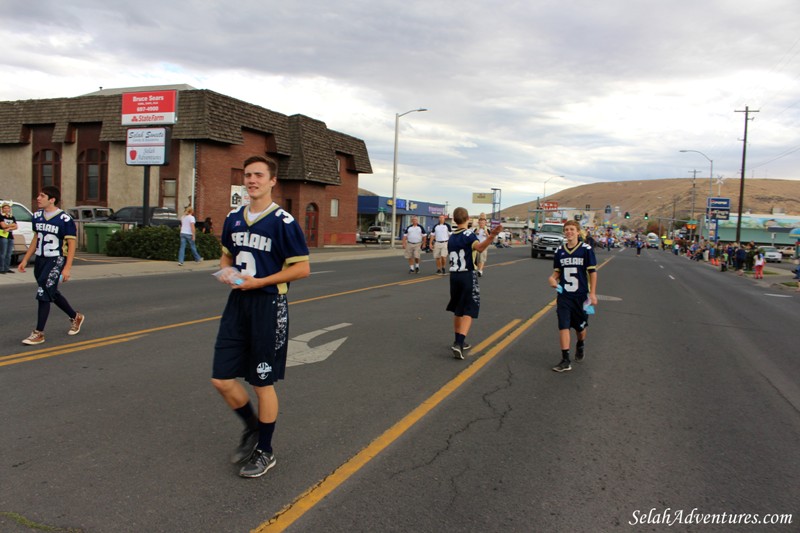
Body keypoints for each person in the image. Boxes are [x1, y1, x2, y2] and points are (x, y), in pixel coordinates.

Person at [211, 155, 310, 478]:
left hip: (268, 305)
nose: (251, 180)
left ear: (272, 181)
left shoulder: (283, 222)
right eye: (248, 175)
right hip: (237, 304)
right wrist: (226, 271)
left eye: (258, 175)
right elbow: (227, 255)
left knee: (261, 382)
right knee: (222, 379)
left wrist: (261, 281)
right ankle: (253, 427)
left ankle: (265, 451)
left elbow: (302, 268)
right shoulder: (234, 218)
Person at [17, 186, 85, 345]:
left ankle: (39, 332)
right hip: (40, 260)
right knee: (51, 292)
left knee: (43, 293)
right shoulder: (37, 216)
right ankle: (76, 316)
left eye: (42, 196)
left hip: (56, 259)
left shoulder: (64, 219)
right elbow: (36, 238)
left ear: (52, 199)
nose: (38, 198)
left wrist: (67, 267)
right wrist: (26, 259)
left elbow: (71, 243)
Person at [446, 207, 503, 359]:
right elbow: (479, 247)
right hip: (466, 274)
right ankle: (459, 343)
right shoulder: (468, 234)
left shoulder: (452, 236)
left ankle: (457, 339)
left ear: (454, 220)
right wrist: (492, 235)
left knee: (458, 308)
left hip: (454, 275)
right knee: (469, 309)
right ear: (468, 219)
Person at [548, 220, 598, 373]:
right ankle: (565, 359)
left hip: (581, 296)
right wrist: (552, 279)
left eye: (572, 229)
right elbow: (557, 273)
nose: (569, 232)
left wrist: (593, 293)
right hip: (564, 296)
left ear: (578, 232)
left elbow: (592, 272)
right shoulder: (559, 251)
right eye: (566, 229)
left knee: (580, 328)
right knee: (563, 325)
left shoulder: (586, 250)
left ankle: (580, 343)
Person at [1, 201, 18, 273]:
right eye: (5, 208)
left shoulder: (12, 217)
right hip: (3, 236)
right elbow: (3, 225)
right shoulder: (1, 216)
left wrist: (9, 228)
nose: (6, 209)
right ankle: (1, 269)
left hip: (10, 236)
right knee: (3, 253)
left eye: (8, 208)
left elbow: (16, 226)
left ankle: (7, 268)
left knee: (9, 253)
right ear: (2, 209)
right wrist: (12, 225)